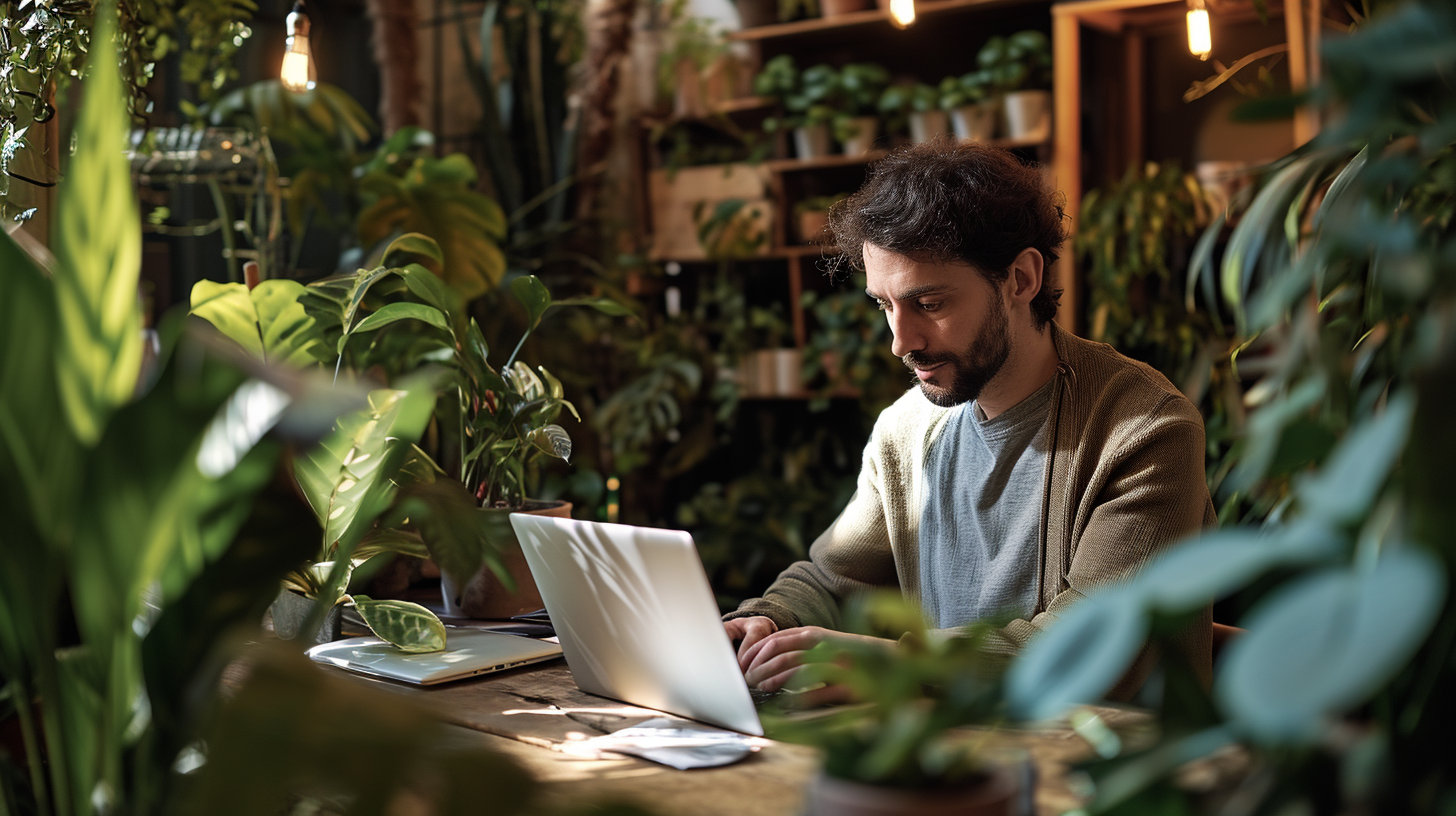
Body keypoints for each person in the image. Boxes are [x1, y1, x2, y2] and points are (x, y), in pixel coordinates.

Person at [723, 139, 1215, 704]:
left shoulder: (1144, 430)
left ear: (1021, 280)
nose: (899, 342)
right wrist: (765, 620)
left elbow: (1096, 649)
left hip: (1111, 775)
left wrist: (893, 664)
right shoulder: (905, 432)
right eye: (884, 305)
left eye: (929, 304)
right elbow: (834, 580)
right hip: (953, 763)